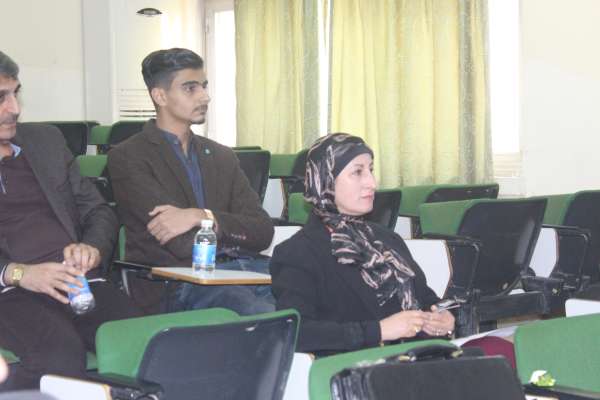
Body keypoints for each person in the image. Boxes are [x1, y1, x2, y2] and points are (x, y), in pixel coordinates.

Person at [0, 51, 143, 391]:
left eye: (16, 93)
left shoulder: (45, 142)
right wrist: (18, 273)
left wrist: (91, 246)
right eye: (1, 98)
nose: (15, 108)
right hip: (10, 291)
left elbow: (98, 211)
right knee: (61, 356)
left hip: (78, 281)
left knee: (144, 343)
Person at [108, 48, 275, 315]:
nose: (204, 96)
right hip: (178, 283)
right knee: (263, 313)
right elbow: (182, 243)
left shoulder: (222, 156)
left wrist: (201, 216)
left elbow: (263, 231)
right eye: (190, 88)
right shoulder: (129, 157)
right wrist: (231, 229)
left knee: (310, 300)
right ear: (160, 96)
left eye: (204, 86)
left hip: (243, 271)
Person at [270, 133, 455, 357]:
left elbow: (426, 299)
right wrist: (379, 331)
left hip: (416, 359)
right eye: (358, 172)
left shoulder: (387, 239)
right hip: (356, 368)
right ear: (325, 181)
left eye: (371, 170)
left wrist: (441, 317)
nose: (372, 183)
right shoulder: (298, 252)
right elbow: (298, 333)